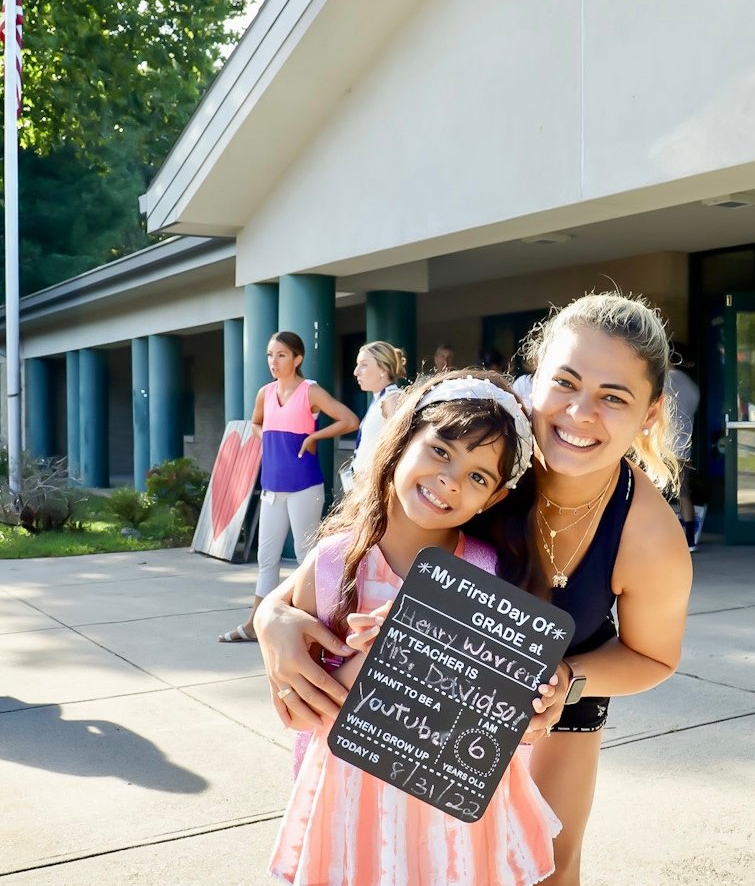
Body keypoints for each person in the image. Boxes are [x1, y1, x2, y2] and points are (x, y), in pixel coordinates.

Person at [255, 292, 693, 886]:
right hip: (414, 709)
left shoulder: (648, 535)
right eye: (564, 382)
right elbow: (347, 551)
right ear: (532, 378)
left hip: (552, 705)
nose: (580, 413)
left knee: (548, 870)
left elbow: (654, 656)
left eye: (613, 397)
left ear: (649, 412)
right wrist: (273, 622)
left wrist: (566, 680)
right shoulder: (483, 437)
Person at [267, 370, 561, 886]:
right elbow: (302, 708)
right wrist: (387, 657)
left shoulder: (487, 572)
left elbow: (498, 710)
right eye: (442, 451)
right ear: (401, 443)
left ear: (492, 499)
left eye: (478, 476)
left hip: (450, 803)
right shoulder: (335, 561)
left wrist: (536, 691)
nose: (451, 479)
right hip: (353, 794)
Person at [218, 331, 359, 643]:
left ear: (297, 359)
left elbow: (350, 420)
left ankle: (310, 625)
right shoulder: (264, 393)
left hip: (304, 486)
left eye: (281, 355)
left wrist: (312, 437)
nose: (273, 361)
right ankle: (255, 624)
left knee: (304, 555)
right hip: (272, 487)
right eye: (270, 355)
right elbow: (255, 423)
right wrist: (269, 440)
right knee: (266, 559)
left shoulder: (310, 391)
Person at [348, 340, 407, 485]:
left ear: (383, 369)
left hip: (374, 487)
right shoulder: (380, 398)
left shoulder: (391, 398)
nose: (356, 372)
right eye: (358, 364)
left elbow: (399, 445)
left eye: (364, 365)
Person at [665, 345, 701, 551]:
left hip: (662, 448)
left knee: (653, 496)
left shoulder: (663, 381)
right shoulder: (691, 386)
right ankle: (690, 540)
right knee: (684, 493)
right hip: (683, 447)